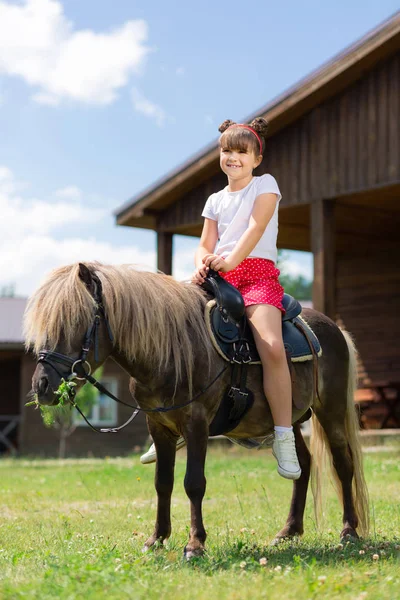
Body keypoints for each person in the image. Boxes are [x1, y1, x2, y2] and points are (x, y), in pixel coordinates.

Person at [140, 117, 301, 480]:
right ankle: (170, 419)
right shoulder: (214, 200)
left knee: (272, 346)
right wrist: (202, 266)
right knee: (169, 329)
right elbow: (203, 244)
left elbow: (256, 227)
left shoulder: (265, 184)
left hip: (255, 273)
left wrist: (230, 261)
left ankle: (284, 434)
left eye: (242, 152)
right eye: (227, 150)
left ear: (256, 158)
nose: (233, 157)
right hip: (217, 275)